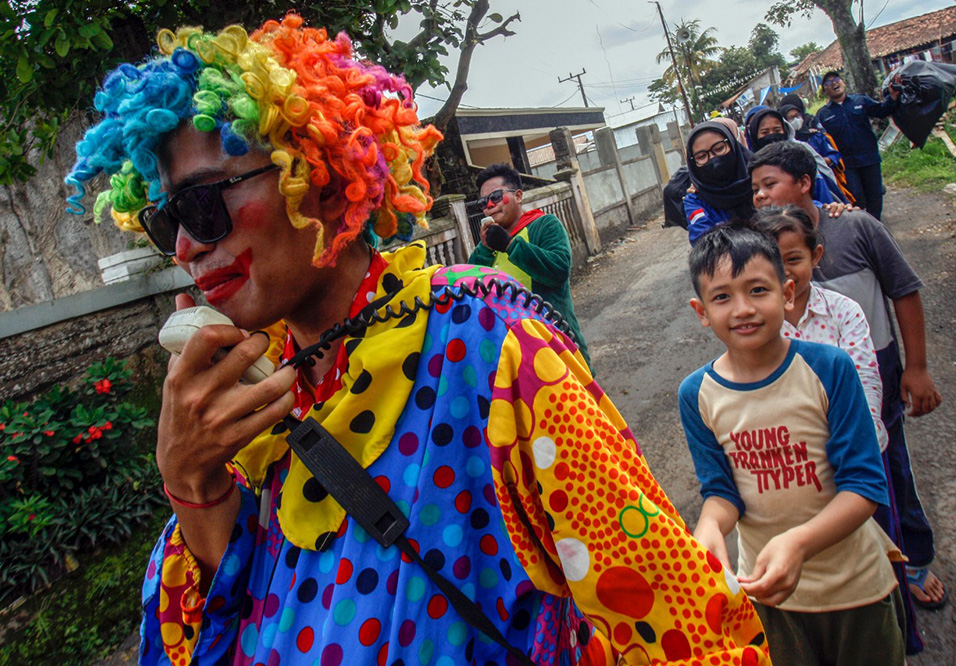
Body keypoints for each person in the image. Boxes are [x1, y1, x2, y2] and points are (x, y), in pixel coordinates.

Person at [64, 15, 771, 666]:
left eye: (201, 202)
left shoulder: (489, 344)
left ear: (323, 177)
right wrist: (193, 484)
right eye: (166, 222)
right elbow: (207, 636)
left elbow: (677, 624)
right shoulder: (249, 400)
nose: (185, 246)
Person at [748, 141, 946, 649]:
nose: (761, 196)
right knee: (829, 551)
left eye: (770, 184)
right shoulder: (763, 316)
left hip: (865, 427)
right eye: (755, 190)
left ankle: (907, 589)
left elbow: (901, 295)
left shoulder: (853, 229)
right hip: (807, 463)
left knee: (891, 497)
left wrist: (917, 367)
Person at [679, 224, 905, 666]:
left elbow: (864, 486)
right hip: (766, 595)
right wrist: (708, 530)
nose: (743, 309)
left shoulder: (828, 368)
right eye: (722, 297)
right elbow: (722, 492)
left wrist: (798, 543)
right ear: (701, 311)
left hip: (854, 586)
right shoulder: (697, 393)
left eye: (757, 290)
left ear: (787, 293)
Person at [751, 205, 888, 453]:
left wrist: (859, 444)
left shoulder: (843, 311)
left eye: (793, 259)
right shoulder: (752, 323)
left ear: (815, 256)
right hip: (791, 458)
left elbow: (865, 380)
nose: (784, 272)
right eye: (771, 262)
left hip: (855, 447)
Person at [469, 163, 591, 368]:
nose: (489, 205)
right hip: (516, 357)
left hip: (555, 344)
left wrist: (509, 245)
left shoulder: (544, 225)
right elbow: (472, 285)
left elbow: (558, 270)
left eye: (496, 196)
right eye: (482, 202)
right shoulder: (488, 244)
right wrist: (485, 248)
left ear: (518, 196)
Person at [815, 70, 901, 220]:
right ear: (825, 91)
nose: (834, 83)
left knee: (874, 195)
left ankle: (875, 224)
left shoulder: (860, 101)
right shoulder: (823, 114)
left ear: (843, 82)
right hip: (846, 164)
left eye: (836, 79)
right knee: (856, 197)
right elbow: (822, 140)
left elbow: (881, 111)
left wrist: (892, 98)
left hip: (869, 158)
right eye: (828, 83)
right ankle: (862, 223)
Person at [744, 106, 846, 206]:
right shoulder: (752, 166)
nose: (772, 135)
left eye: (777, 130)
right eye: (765, 132)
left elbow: (822, 192)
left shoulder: (800, 156)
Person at [683, 120, 756, 244]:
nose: (712, 158)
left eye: (719, 148)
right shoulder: (695, 201)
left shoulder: (759, 180)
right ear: (693, 163)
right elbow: (704, 243)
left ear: (733, 145)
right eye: (701, 156)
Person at [777, 94, 855, 205]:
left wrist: (825, 161)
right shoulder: (781, 148)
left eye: (797, 116)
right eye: (791, 118)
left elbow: (834, 154)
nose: (796, 120)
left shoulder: (815, 134)